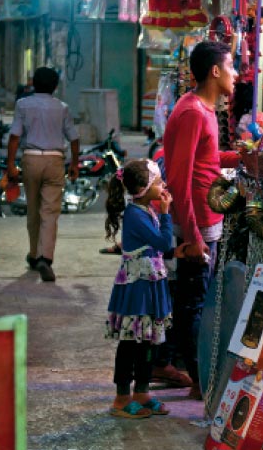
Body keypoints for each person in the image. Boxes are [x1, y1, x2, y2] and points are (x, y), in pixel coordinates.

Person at [155, 40, 240, 399]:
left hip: (205, 220)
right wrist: (192, 235)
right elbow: (178, 176)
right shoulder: (192, 112)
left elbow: (206, 160)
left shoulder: (203, 110)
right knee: (194, 302)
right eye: (231, 66)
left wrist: (240, 158)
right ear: (215, 71)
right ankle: (199, 379)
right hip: (197, 225)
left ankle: (167, 362)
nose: (236, 74)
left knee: (189, 298)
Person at [104, 158, 186, 418]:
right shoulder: (135, 214)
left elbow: (159, 246)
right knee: (131, 342)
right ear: (144, 187)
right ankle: (121, 397)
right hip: (137, 288)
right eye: (158, 181)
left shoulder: (144, 210)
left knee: (148, 340)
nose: (163, 185)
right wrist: (165, 212)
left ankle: (141, 391)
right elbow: (161, 241)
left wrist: (177, 251)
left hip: (151, 284)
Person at [7, 66, 79, 282]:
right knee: (50, 211)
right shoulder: (62, 108)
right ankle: (45, 259)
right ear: (55, 87)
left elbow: (14, 136)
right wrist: (74, 163)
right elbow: (74, 138)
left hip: (31, 159)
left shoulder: (22, 105)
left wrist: (11, 164)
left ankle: (33, 254)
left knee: (33, 209)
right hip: (55, 160)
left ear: (32, 83)